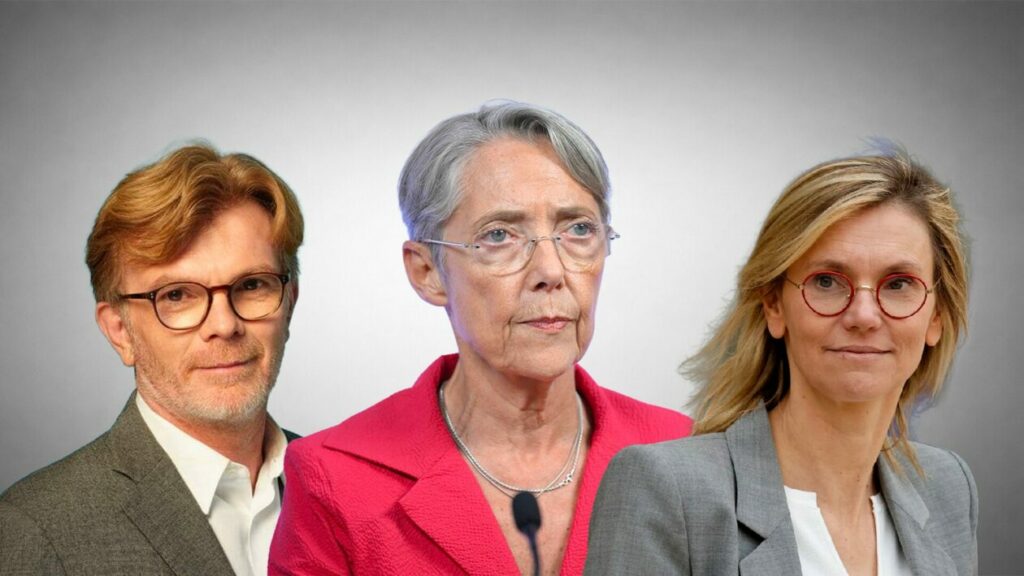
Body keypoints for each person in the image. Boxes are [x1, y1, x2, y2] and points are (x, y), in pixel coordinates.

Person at [269, 101, 692, 575]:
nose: (551, 272)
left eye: (578, 229)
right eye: (499, 236)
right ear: (427, 271)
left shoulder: (684, 452)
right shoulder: (335, 476)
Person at [585, 151, 977, 575]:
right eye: (826, 281)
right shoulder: (666, 490)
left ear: (937, 316)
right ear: (774, 305)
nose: (864, 316)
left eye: (899, 284)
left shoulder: (947, 488)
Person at [0, 144, 304, 576]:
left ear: (289, 303)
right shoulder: (34, 530)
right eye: (176, 295)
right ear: (120, 331)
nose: (224, 324)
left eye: (252, 284)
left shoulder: (345, 484)